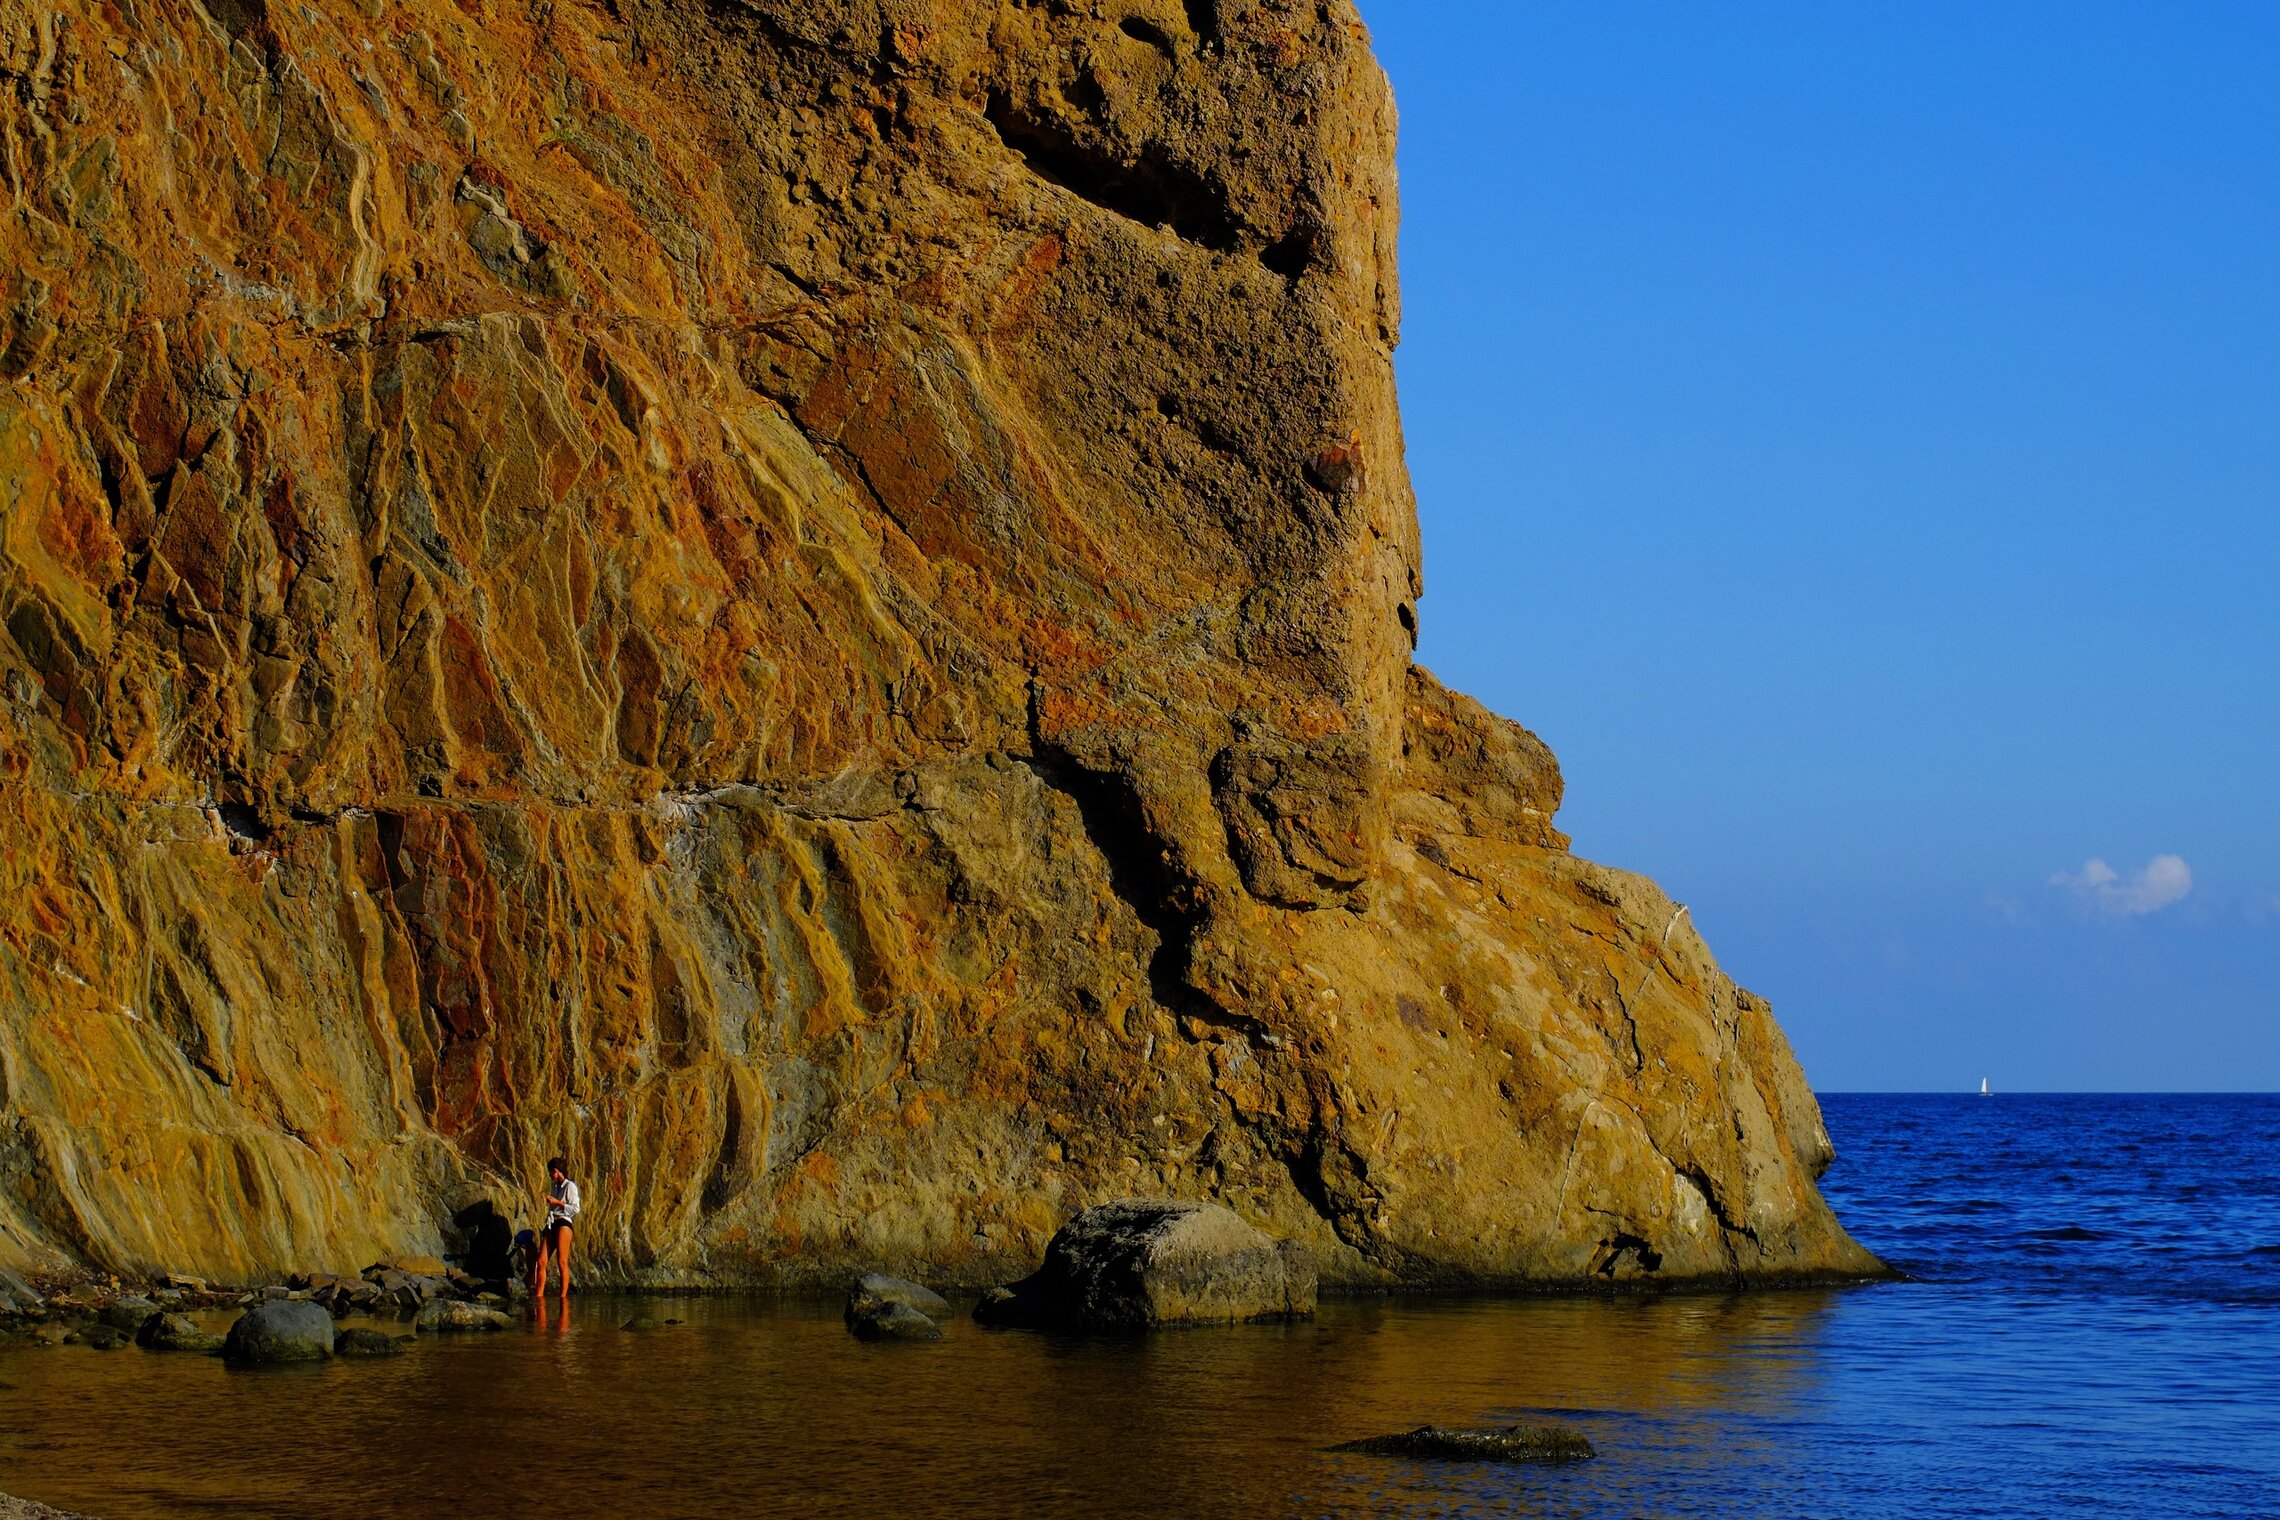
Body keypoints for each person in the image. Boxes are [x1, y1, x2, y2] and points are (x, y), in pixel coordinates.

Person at [535, 1156, 581, 1302]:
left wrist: (558, 1203)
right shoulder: (555, 1188)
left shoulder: (570, 1186)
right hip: (552, 1222)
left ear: (556, 1171)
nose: (550, 1175)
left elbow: (576, 1209)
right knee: (541, 1261)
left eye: (550, 1172)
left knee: (562, 1261)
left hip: (564, 1223)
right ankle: (539, 1297)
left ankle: (563, 1298)